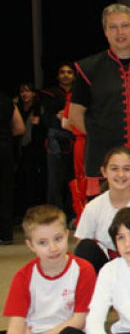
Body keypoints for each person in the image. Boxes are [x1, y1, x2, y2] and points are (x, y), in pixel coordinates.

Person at [69, 4, 130, 197]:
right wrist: (100, 135)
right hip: (104, 162)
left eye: (125, 26)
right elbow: (75, 114)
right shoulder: (89, 68)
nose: (120, 32)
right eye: (113, 27)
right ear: (105, 32)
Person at [1, 205, 95, 334]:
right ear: (30, 245)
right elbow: (16, 325)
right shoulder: (24, 276)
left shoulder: (83, 269)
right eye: (43, 243)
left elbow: (79, 321)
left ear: (67, 235)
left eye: (58, 239)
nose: (53, 248)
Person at [73, 146, 130, 273]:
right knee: (86, 246)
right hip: (105, 265)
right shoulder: (93, 207)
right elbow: (81, 247)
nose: (120, 174)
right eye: (114, 169)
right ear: (104, 172)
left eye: (126, 169)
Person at [40, 63, 77, 215]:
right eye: (62, 72)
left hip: (77, 141)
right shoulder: (49, 94)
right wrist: (59, 118)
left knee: (75, 180)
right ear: (57, 76)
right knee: (55, 182)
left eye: (69, 72)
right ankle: (54, 216)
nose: (66, 75)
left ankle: (74, 215)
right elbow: (45, 119)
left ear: (74, 76)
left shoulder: (80, 93)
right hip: (56, 143)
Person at [14, 82, 46, 214]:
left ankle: (34, 208)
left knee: (33, 179)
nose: (24, 94)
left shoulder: (39, 108)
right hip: (19, 148)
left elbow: (43, 129)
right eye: (22, 91)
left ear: (33, 94)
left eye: (27, 91)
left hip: (35, 149)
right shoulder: (16, 108)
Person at [0, 90, 25, 244]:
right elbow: (20, 128)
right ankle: (5, 234)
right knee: (5, 191)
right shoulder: (7, 101)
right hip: (4, 149)